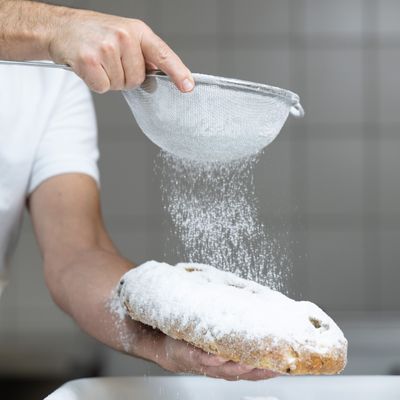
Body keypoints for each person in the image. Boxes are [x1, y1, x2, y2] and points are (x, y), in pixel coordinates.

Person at [0, 0, 276, 380]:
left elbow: (78, 255)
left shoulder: (52, 77)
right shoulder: (55, 38)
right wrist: (53, 27)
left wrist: (164, 337)